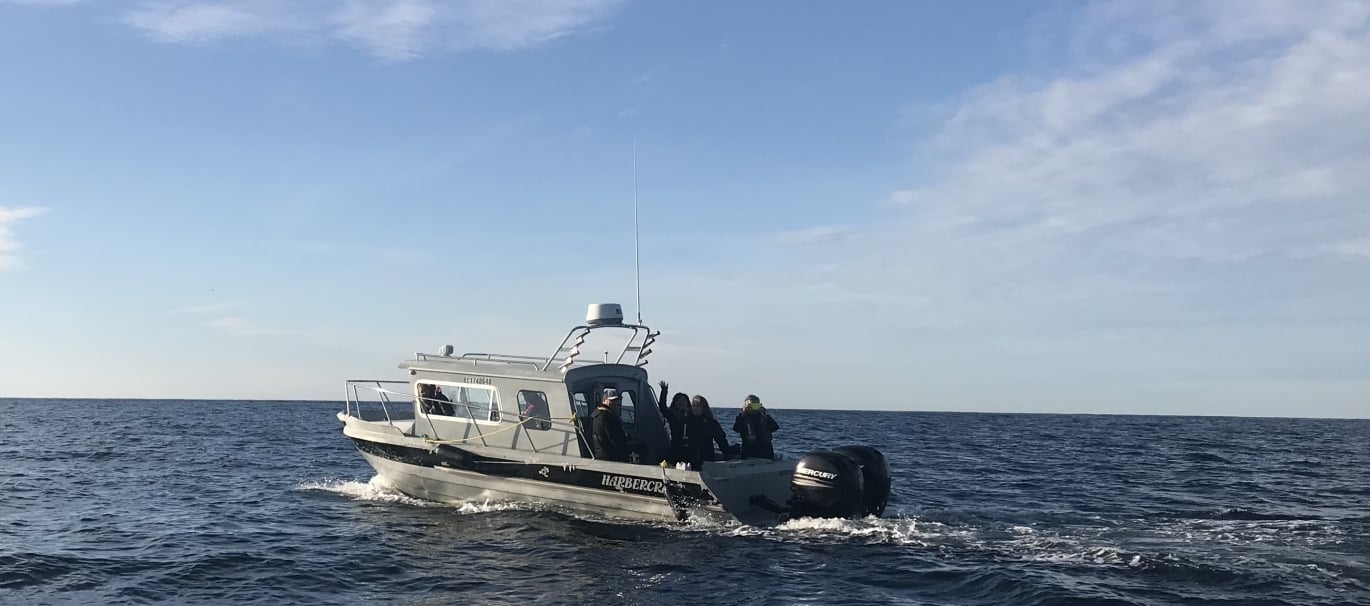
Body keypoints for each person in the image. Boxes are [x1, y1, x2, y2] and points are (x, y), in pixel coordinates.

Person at [682, 395, 731, 469]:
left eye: (698, 406)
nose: (695, 408)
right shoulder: (686, 421)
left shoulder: (711, 423)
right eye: (694, 406)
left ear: (703, 408)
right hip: (689, 459)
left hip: (706, 458)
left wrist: (726, 454)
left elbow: (720, 439)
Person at [733, 394, 779, 460]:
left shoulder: (764, 417)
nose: (753, 407)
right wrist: (743, 414)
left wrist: (765, 416)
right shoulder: (742, 418)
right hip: (749, 450)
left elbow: (775, 427)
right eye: (751, 405)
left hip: (765, 450)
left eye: (756, 405)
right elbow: (736, 428)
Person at [592, 388, 631, 462]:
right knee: (642, 448)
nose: (614, 403)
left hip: (601, 454)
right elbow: (615, 440)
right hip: (609, 457)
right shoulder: (607, 417)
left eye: (615, 400)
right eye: (611, 400)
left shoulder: (597, 414)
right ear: (604, 400)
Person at [657, 380, 690, 464]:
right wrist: (664, 392)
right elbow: (662, 407)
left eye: (683, 400)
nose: (681, 402)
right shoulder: (672, 415)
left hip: (690, 447)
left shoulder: (692, 416)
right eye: (678, 400)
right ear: (675, 403)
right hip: (676, 445)